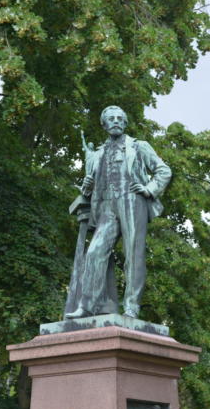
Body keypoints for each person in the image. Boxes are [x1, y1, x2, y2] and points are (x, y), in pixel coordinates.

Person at [66, 106, 171, 319]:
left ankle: (132, 307)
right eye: (110, 119)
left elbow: (163, 170)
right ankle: (87, 306)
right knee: (95, 253)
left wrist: (149, 189)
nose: (115, 121)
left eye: (119, 118)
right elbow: (93, 184)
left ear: (124, 123)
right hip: (106, 205)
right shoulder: (98, 154)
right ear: (104, 125)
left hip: (132, 201)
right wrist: (87, 185)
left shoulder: (139, 146)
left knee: (133, 254)